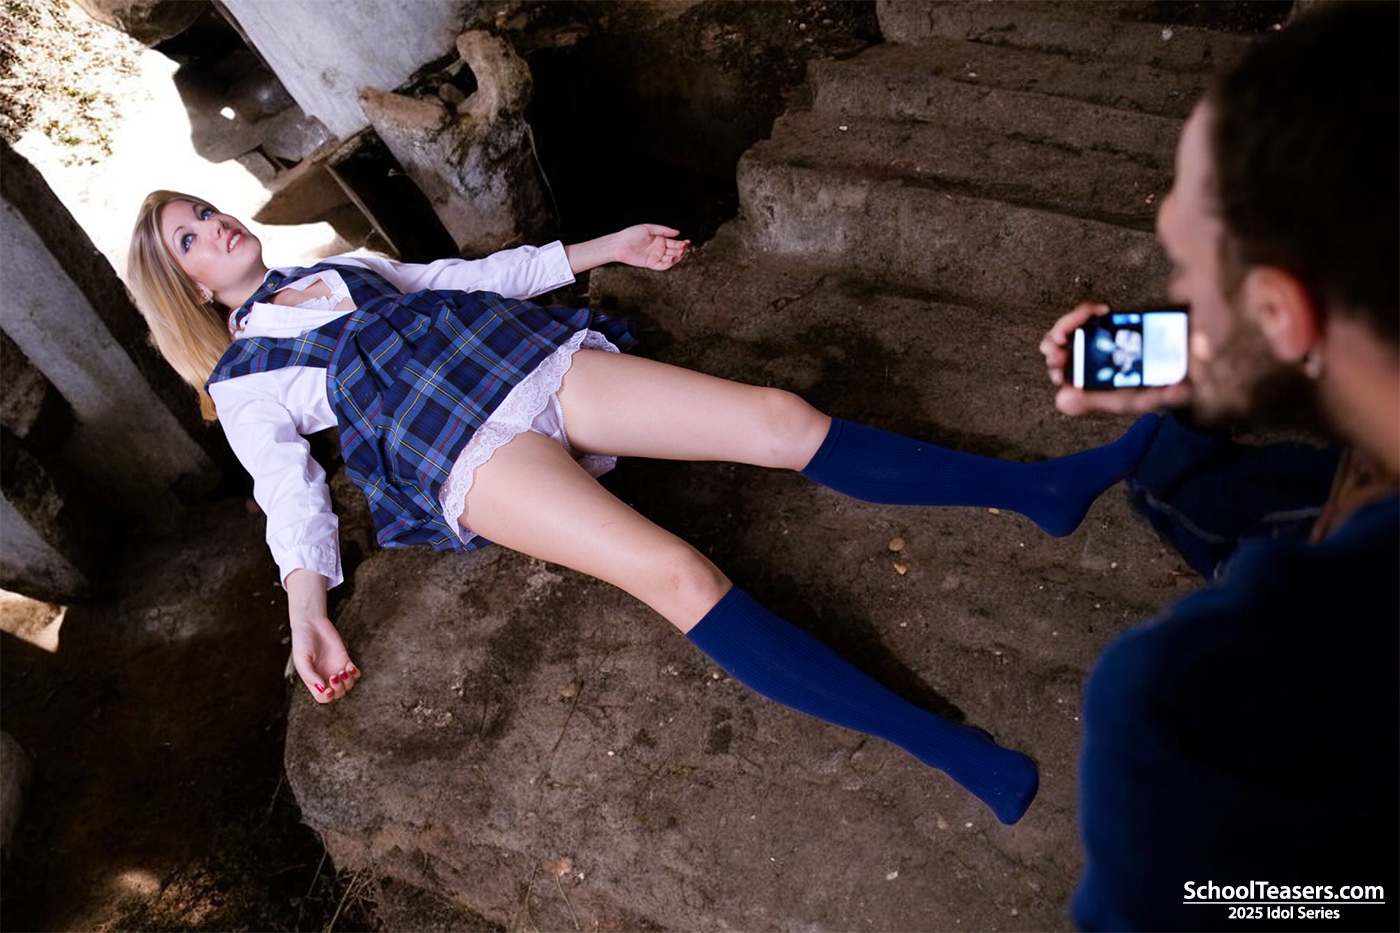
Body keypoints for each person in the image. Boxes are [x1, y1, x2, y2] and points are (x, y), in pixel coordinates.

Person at [127, 193, 1159, 827]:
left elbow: (463, 276)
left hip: (517, 358)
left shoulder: (342, 265)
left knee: (778, 418)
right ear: (193, 289)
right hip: (459, 451)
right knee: (678, 574)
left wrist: (602, 245)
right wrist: (306, 608)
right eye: (191, 238)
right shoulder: (246, 381)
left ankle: (1042, 491)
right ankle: (945, 746)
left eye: (206, 213)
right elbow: (290, 496)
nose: (216, 226)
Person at [1038, 3, 1397, 928]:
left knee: (1186, 488)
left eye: (1185, 270)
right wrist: (1226, 367)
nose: (1176, 299)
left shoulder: (1198, 709)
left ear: (1284, 314)